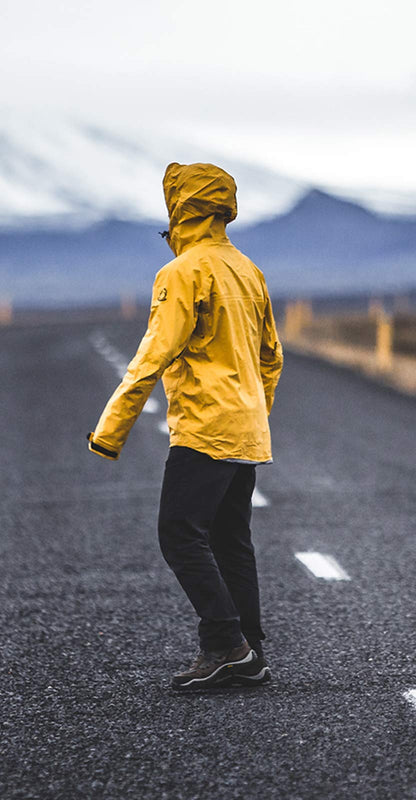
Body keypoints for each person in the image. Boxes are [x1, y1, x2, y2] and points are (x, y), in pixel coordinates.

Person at [88, 162, 283, 690]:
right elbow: (272, 358)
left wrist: (111, 430)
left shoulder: (182, 272)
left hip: (205, 428)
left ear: (179, 207)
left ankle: (226, 645)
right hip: (246, 429)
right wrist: (255, 413)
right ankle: (250, 652)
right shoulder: (248, 268)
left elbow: (153, 354)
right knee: (229, 539)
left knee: (179, 533)